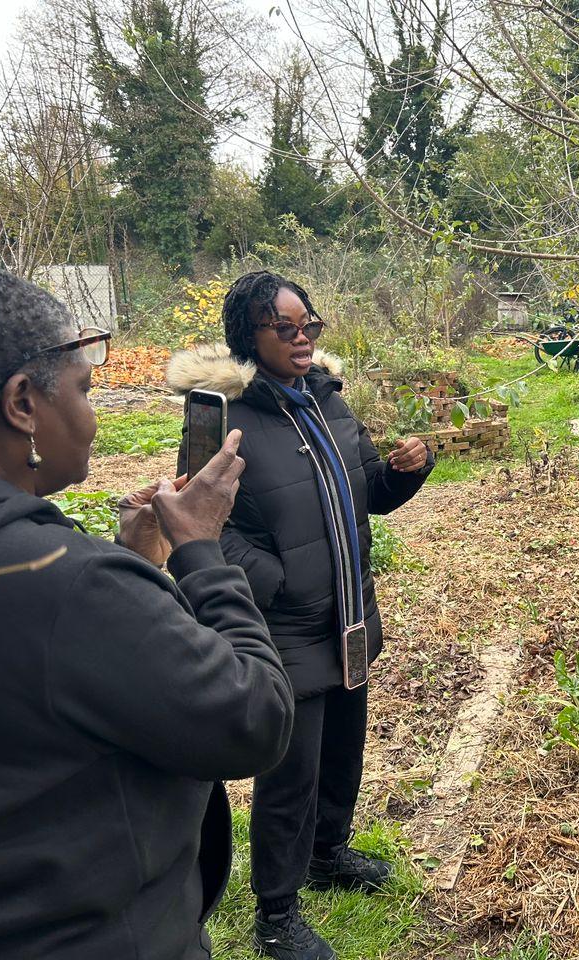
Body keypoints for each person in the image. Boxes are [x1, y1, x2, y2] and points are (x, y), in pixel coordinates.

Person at [0, 262, 295, 959]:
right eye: (85, 390)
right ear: (23, 405)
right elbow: (255, 719)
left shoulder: (20, 570)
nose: (93, 418)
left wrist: (126, 561)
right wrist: (199, 552)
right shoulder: (72, 589)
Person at [167, 270, 434, 960]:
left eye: (308, 324)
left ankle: (329, 854)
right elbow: (198, 522)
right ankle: (277, 915)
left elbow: (369, 490)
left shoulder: (329, 401)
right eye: (284, 328)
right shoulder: (221, 418)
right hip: (285, 627)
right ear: (248, 337)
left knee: (343, 751)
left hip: (348, 615)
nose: (302, 339)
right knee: (292, 776)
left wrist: (408, 469)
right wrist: (275, 579)